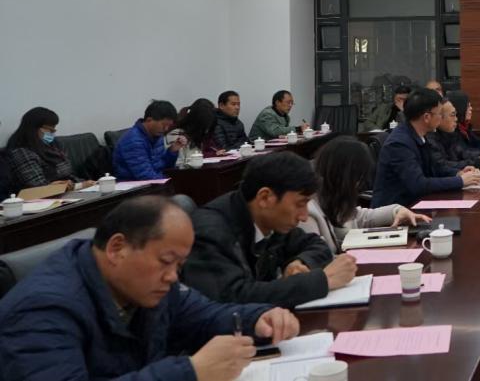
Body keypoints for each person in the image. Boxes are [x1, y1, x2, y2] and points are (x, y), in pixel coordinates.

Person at [0, 195, 300, 381]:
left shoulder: (146, 284)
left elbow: (204, 315)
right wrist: (190, 372)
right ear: (117, 248)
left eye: (179, 265)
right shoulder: (42, 311)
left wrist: (257, 318)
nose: (173, 277)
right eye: (166, 262)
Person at [182, 152, 355, 307]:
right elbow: (234, 298)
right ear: (265, 198)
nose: (304, 216)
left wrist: (300, 263)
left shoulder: (270, 220)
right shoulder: (211, 233)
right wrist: (322, 281)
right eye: (299, 204)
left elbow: (315, 244)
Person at [300, 137, 427, 253]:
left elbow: (358, 217)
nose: (358, 184)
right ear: (342, 174)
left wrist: (396, 211)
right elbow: (318, 259)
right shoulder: (308, 212)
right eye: (357, 177)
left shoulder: (333, 195)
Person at [370, 89, 480, 208]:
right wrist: (460, 181)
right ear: (427, 117)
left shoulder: (420, 135)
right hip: (394, 211)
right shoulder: (400, 144)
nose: (441, 118)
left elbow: (435, 168)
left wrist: (458, 173)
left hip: (415, 204)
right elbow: (418, 184)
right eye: (439, 114)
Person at [5, 107, 94, 192]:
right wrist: (78, 186)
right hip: (43, 198)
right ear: (33, 128)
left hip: (67, 192)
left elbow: (69, 175)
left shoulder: (53, 145)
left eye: (53, 130)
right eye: (49, 130)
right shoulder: (21, 152)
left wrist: (87, 184)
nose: (52, 134)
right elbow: (38, 187)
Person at [113, 100, 184, 181]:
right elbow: (145, 176)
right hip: (135, 185)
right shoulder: (133, 141)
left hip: (155, 181)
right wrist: (172, 180)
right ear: (149, 120)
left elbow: (164, 166)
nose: (166, 129)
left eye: (169, 126)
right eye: (163, 125)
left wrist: (172, 151)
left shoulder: (157, 135)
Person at [429, 100, 480, 171]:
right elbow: (441, 166)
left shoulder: (450, 133)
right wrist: (478, 162)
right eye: (452, 115)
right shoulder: (430, 139)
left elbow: (462, 153)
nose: (456, 119)